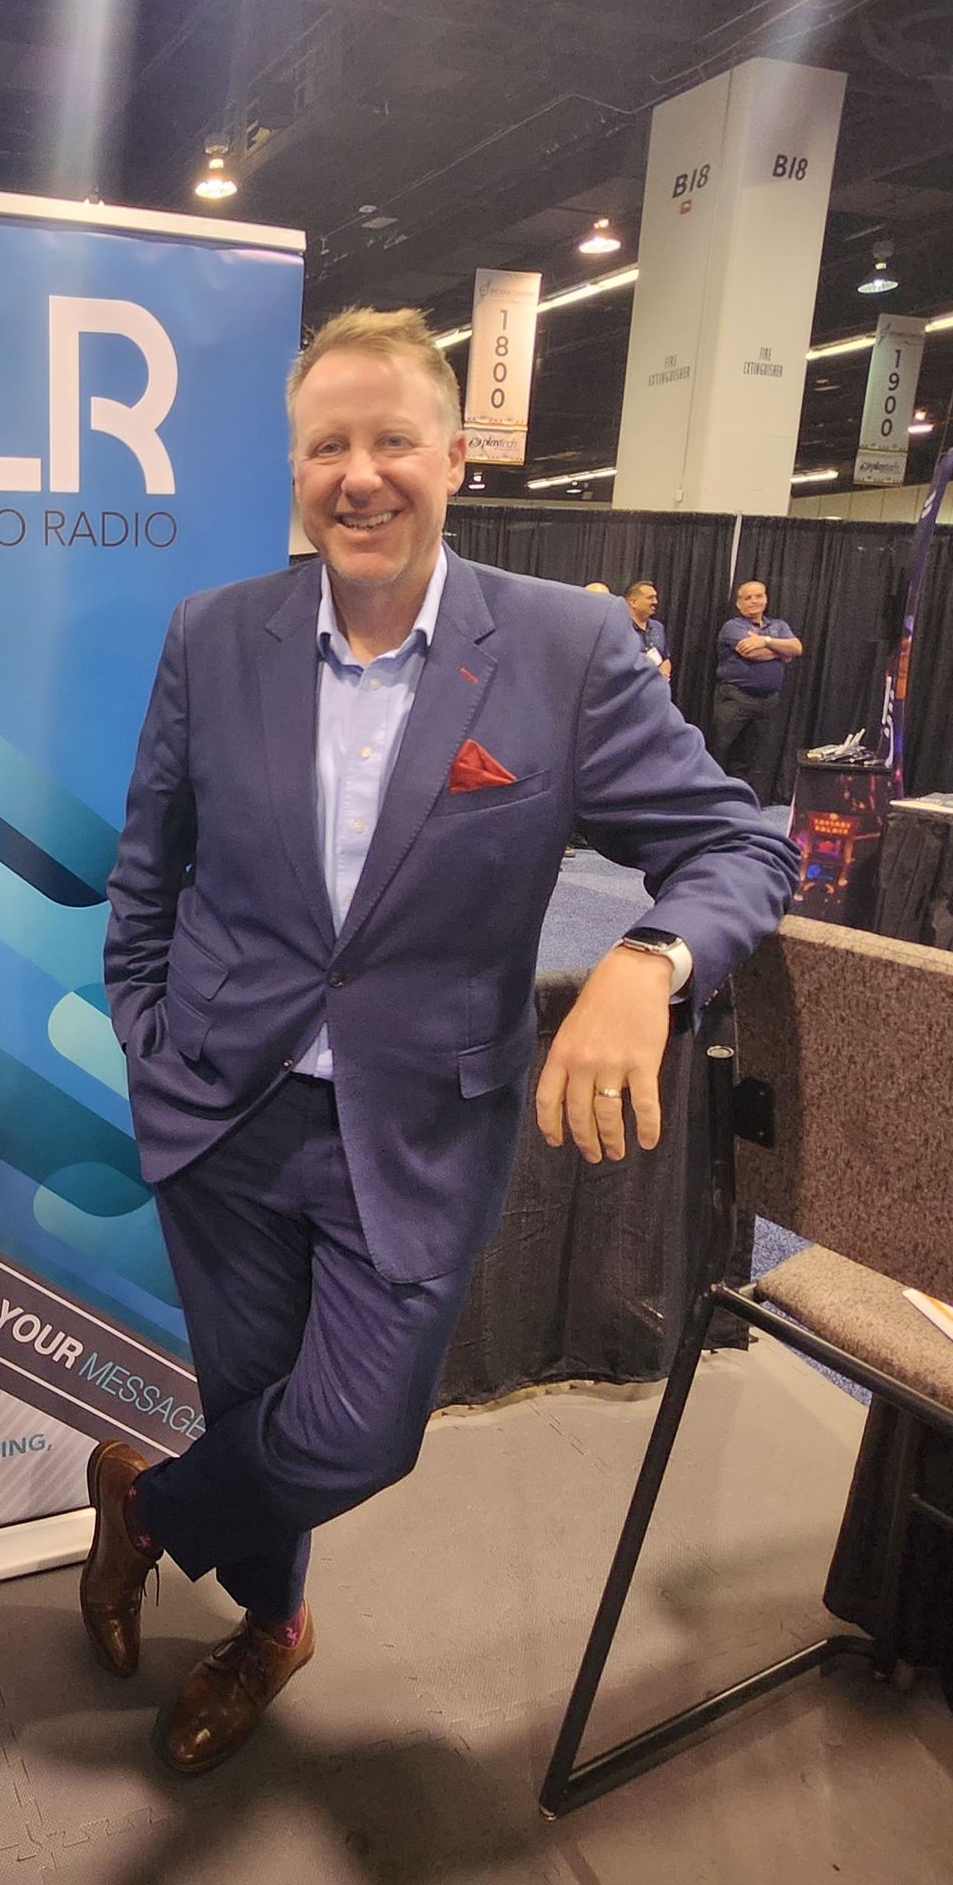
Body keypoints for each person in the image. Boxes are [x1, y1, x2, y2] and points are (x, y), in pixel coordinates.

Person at [87, 306, 797, 1775]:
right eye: (326, 447)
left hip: (418, 1127)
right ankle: (271, 1627)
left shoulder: (565, 648)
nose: (360, 475)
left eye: (392, 440)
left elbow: (738, 845)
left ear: (455, 456)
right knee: (250, 1400)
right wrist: (149, 1034)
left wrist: (646, 965)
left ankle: (145, 1509)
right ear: (295, 469)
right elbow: (148, 867)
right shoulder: (215, 635)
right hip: (222, 1109)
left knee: (356, 1432)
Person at [712, 579, 801, 799]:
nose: (754, 601)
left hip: (767, 701)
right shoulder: (733, 627)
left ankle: (740, 801)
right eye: (748, 597)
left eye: (758, 596)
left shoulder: (778, 625)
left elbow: (797, 648)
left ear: (766, 599)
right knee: (721, 749)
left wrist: (765, 640)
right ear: (739, 604)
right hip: (736, 698)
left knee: (751, 757)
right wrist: (782, 652)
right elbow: (751, 653)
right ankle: (711, 800)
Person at [624, 578, 671, 683]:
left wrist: (662, 677)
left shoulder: (658, 627)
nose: (655, 602)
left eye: (655, 597)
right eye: (650, 598)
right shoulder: (621, 627)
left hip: (656, 688)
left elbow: (665, 658)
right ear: (633, 602)